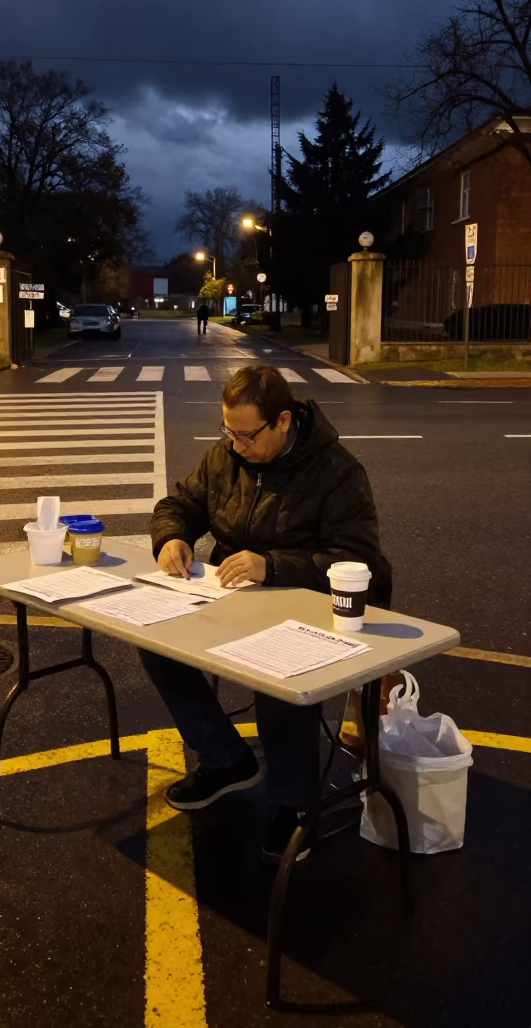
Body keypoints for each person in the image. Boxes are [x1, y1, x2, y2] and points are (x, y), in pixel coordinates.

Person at [141, 364, 392, 862]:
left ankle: (294, 805)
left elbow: (362, 564)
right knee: (157, 646)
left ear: (282, 421)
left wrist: (272, 565)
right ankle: (226, 760)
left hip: (310, 608)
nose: (236, 445)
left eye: (247, 435)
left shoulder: (337, 472)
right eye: (227, 431)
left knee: (278, 676)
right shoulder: (225, 457)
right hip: (231, 595)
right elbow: (181, 502)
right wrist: (171, 537)